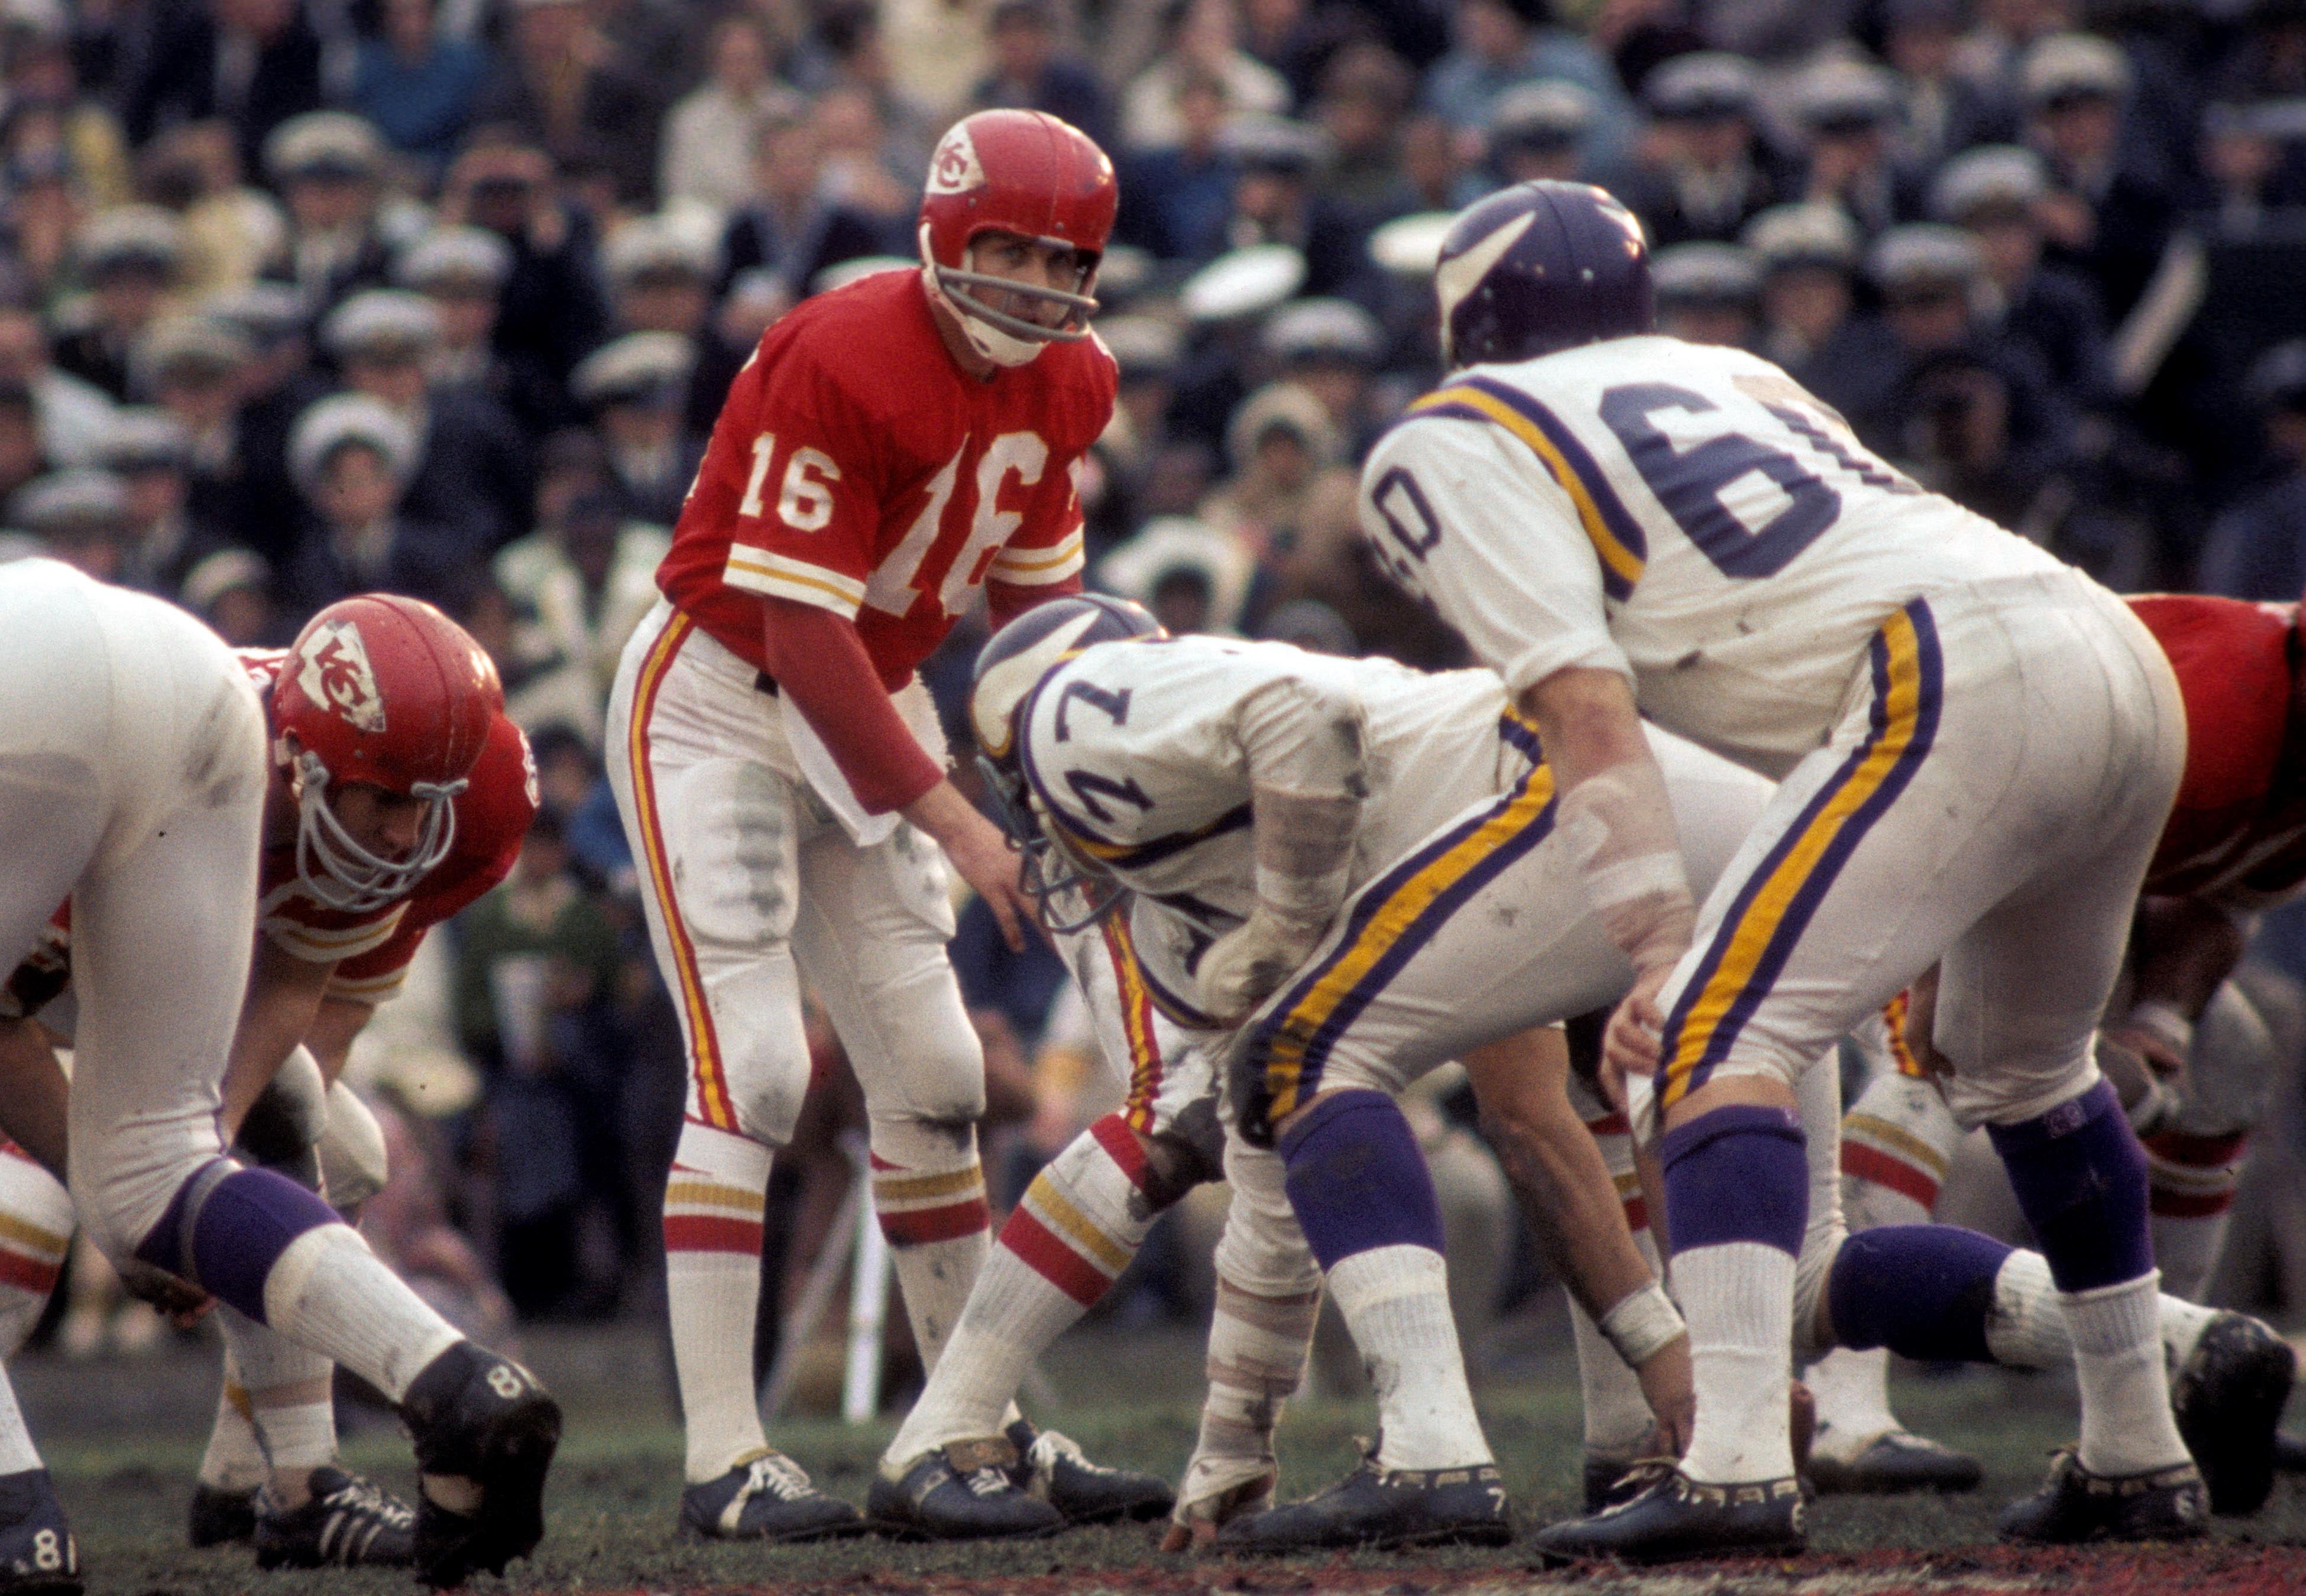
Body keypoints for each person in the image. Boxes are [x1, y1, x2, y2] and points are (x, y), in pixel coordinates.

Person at [1369, 180, 2200, 1560]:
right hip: (2104, 643)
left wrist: (1657, 947)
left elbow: (1584, 707)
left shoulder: (1454, 434)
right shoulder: (1734, 371)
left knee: (1708, 1040)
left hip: (1950, 672)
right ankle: (2137, 1449)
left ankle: (1737, 1466)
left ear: (1472, 321)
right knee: (2032, 1072)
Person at [603, 109, 1161, 1542]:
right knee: (758, 1069)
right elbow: (802, 630)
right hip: (722, 694)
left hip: (876, 691)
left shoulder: (1072, 379)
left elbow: (1034, 615)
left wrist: (1060, 778)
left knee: (936, 1073)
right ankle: (724, 1460)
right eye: (1012, 251)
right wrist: (963, 824)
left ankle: (969, 1427)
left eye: (1066, 260)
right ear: (947, 234)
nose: (1040, 285)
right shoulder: (844, 348)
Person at [0, 566, 556, 1588]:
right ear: (308, 759)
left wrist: (164, 1190)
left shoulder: (382, 762)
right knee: (59, 1202)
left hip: (74, 682)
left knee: (295, 1132)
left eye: (422, 802)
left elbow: (297, 997)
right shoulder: (273, 744)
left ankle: (285, 1480)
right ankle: (444, 1387)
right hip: (173, 677)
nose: (406, 834)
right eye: (387, 799)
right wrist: (133, 1198)